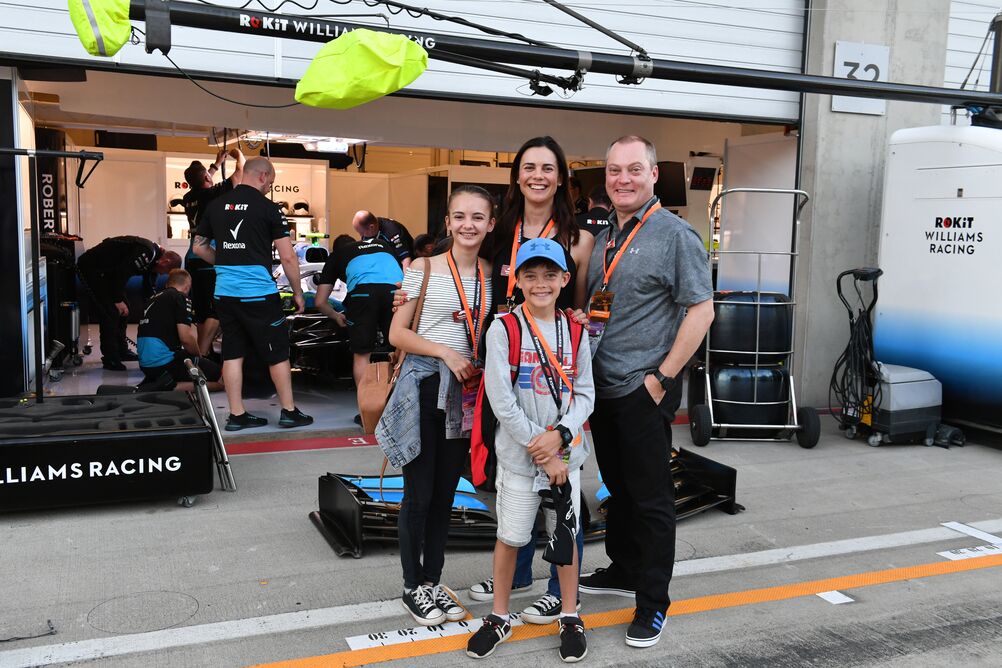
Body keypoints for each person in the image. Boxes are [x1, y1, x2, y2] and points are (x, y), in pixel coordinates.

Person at [578, 136, 714, 649]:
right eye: (614, 171)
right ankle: (625, 567)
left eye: (634, 169)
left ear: (654, 175)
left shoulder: (674, 235)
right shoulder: (606, 233)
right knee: (618, 487)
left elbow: (701, 310)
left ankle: (653, 603)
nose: (623, 179)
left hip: (642, 388)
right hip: (601, 388)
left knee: (652, 498)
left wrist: (660, 379)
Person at [470, 136, 595, 621]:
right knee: (513, 488)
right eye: (529, 167)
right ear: (517, 176)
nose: (538, 175)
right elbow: (465, 265)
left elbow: (580, 302)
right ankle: (517, 572)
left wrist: (561, 431)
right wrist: (415, 276)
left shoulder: (579, 237)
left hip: (557, 366)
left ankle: (560, 589)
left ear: (561, 176)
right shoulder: (501, 230)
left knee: (563, 487)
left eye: (548, 167)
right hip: (506, 353)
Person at [375, 185, 495, 627]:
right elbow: (396, 334)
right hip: (424, 388)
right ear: (448, 222)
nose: (468, 224)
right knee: (419, 495)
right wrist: (445, 351)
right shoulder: (422, 269)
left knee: (446, 494)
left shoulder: (489, 273)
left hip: (463, 395)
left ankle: (432, 581)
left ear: (490, 224)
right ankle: (412, 587)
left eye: (478, 217)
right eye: (459, 216)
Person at [192, 156, 314, 431]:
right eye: (270, 182)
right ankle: (289, 411)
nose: (269, 187)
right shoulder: (269, 208)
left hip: (225, 294)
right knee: (277, 354)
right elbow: (288, 258)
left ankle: (236, 415)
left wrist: (225, 263)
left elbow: (199, 248)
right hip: (259, 295)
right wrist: (296, 292)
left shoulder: (216, 204)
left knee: (232, 353)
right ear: (262, 176)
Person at [315, 210, 404, 392]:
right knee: (400, 348)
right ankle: (399, 401)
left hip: (362, 296)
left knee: (362, 353)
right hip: (395, 292)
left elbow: (320, 301)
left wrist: (336, 316)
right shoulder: (383, 245)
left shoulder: (337, 255)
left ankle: (366, 407)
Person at [76, 235, 181, 371]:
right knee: (111, 311)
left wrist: (153, 306)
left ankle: (122, 351)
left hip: (107, 274)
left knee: (126, 309)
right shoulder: (147, 252)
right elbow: (120, 274)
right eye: (166, 272)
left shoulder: (155, 259)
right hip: (91, 268)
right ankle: (110, 358)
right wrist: (117, 300)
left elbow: (149, 286)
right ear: (165, 262)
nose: (163, 275)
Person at [182, 148, 245, 356]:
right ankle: (202, 353)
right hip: (210, 256)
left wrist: (216, 165)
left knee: (201, 310)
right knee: (217, 308)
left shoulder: (188, 197)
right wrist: (238, 155)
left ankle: (205, 352)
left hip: (192, 258)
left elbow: (203, 181)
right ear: (207, 178)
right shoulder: (212, 194)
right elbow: (239, 174)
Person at [137, 268, 223, 392]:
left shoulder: (152, 298)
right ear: (188, 287)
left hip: (146, 365)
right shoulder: (180, 297)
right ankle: (167, 386)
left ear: (168, 284)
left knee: (184, 356)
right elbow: (186, 338)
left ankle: (162, 382)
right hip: (165, 363)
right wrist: (200, 357)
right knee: (221, 376)